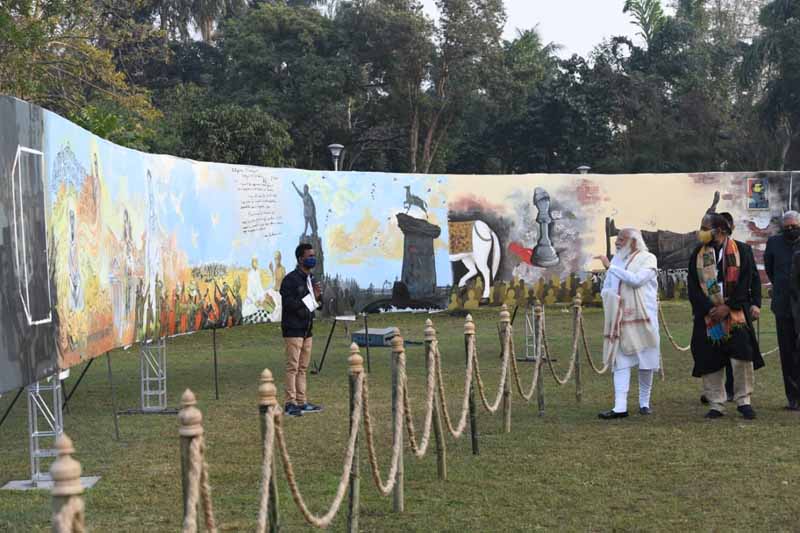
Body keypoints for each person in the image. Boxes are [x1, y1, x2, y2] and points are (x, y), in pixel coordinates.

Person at [688, 214, 763, 419]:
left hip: (736, 313)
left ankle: (743, 401)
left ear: (720, 230)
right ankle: (716, 403)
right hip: (709, 316)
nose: (701, 231)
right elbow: (693, 287)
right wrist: (709, 309)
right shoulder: (698, 253)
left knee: (741, 357)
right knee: (710, 359)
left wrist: (728, 307)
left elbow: (746, 282)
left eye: (705, 228)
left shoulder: (742, 251)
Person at [595, 228, 660, 419]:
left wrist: (610, 267)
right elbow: (608, 286)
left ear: (633, 241)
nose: (617, 243)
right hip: (620, 318)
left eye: (621, 240)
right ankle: (619, 407)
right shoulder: (617, 260)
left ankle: (644, 403)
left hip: (643, 318)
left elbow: (637, 281)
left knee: (646, 361)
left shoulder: (648, 258)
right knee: (620, 361)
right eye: (618, 239)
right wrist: (607, 297)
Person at [280, 243, 323, 416]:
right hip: (293, 329)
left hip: (307, 329)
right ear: (300, 259)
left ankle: (302, 401)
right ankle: (290, 403)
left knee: (303, 368)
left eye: (314, 255)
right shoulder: (290, 280)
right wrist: (308, 299)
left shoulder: (311, 279)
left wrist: (318, 296)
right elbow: (289, 304)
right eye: (309, 256)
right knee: (293, 367)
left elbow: (318, 306)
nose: (312, 258)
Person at [764, 211, 800, 411]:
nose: (790, 229)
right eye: (787, 227)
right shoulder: (774, 243)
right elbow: (770, 269)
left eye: (794, 226)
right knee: (786, 352)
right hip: (783, 306)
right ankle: (792, 397)